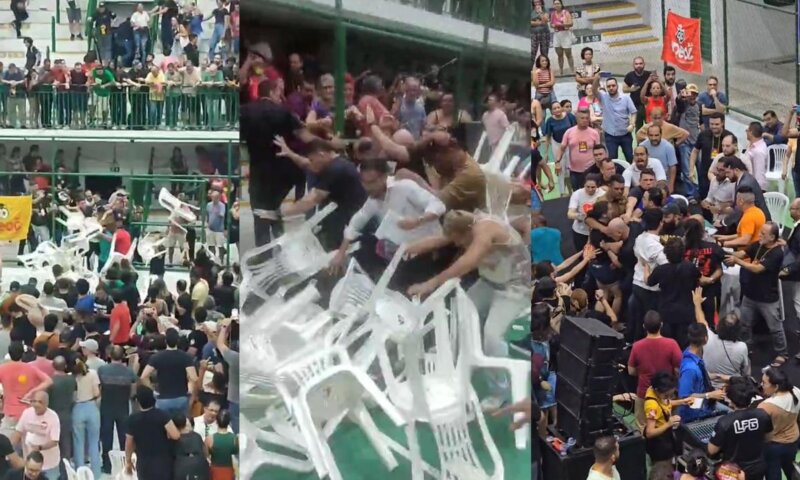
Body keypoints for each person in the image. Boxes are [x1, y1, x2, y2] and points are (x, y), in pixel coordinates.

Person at [725, 222, 787, 367]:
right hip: (751, 294)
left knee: (775, 328)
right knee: (745, 324)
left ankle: (782, 353)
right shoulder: (758, 244)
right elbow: (743, 253)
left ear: (772, 237)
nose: (759, 235)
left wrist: (737, 261)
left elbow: (757, 268)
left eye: (763, 234)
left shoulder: (777, 253)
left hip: (767, 298)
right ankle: (746, 346)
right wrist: (726, 253)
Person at [627, 311, 682, 429]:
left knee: (642, 427)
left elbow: (631, 371)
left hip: (644, 393)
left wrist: (642, 372)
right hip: (666, 393)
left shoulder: (637, 346)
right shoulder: (672, 344)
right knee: (668, 425)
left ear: (644, 327)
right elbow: (678, 370)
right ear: (661, 325)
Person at [708, 378, 772, 480]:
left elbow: (711, 450)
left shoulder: (724, 422)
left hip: (732, 471)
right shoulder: (763, 414)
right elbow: (768, 438)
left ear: (731, 401)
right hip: (757, 467)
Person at [645, 237, 699, 348]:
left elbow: (649, 282)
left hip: (667, 312)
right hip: (686, 311)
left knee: (668, 344)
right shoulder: (690, 267)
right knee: (684, 345)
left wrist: (646, 267)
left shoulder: (661, 270)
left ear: (666, 254)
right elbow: (698, 280)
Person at [643, 371, 694, 480]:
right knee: (663, 471)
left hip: (667, 438)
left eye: (671, 394)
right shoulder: (651, 405)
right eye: (666, 395)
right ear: (657, 390)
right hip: (659, 444)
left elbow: (666, 403)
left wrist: (682, 402)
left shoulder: (656, 391)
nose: (669, 397)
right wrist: (669, 424)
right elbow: (649, 432)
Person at [124, 385, 181, 480]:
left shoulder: (132, 419)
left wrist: (128, 461)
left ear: (138, 402)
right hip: (163, 462)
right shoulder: (162, 415)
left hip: (143, 463)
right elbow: (175, 435)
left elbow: (129, 443)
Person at [0, 342, 52, 439]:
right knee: (28, 445)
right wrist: (32, 391)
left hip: (10, 412)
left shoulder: (2, 369)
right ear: (23, 354)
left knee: (6, 446)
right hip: (27, 410)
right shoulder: (30, 368)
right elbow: (48, 381)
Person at [97, 346, 136, 475]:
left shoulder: (102, 370)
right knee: (124, 437)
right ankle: (125, 464)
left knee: (106, 437)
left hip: (106, 406)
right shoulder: (129, 372)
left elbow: (99, 388)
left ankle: (107, 466)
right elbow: (133, 390)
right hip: (123, 407)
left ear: (110, 355)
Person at [140, 329, 197, 415]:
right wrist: (190, 390)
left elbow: (143, 376)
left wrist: (153, 390)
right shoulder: (186, 357)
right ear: (178, 341)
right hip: (181, 397)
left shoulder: (157, 357)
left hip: (163, 398)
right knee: (182, 425)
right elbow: (194, 378)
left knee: (163, 426)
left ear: (165, 341)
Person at [677, 321, 726, 423]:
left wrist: (717, 376)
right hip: (693, 415)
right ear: (705, 339)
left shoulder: (694, 354)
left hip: (704, 406)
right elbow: (684, 396)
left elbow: (700, 377)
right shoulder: (690, 368)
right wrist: (710, 395)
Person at [758, 368, 800, 480]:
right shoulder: (796, 391)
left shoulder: (766, 406)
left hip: (773, 446)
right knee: (790, 469)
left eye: (764, 383)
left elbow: (760, 431)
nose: (761, 385)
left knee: (773, 475)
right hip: (793, 441)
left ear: (776, 386)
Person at [10, 391, 60, 480]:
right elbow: (18, 432)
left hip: (50, 464)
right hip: (31, 464)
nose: (36, 404)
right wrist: (8, 449)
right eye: (34, 401)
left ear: (46, 404)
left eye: (40, 402)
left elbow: (54, 441)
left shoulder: (53, 417)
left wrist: (39, 448)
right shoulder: (27, 413)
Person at [593, 74, 636, 163]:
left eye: (613, 85)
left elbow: (633, 112)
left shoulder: (626, 98)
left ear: (617, 86)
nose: (611, 88)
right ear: (606, 88)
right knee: (613, 160)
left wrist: (632, 124)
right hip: (610, 135)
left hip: (625, 134)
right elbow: (594, 91)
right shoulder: (603, 97)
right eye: (609, 86)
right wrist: (596, 79)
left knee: (629, 157)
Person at [567, 174, 603, 251]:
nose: (590, 189)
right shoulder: (577, 194)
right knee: (581, 254)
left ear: (597, 186)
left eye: (593, 187)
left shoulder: (602, 194)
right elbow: (570, 214)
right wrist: (582, 217)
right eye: (587, 187)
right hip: (580, 231)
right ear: (584, 185)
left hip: (596, 231)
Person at [173, 414, 209, 480]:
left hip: (181, 469)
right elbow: (206, 453)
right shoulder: (197, 436)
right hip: (200, 468)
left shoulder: (174, 440)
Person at [206, 409, 236, 480]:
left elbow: (206, 455)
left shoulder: (209, 439)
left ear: (216, 421)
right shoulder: (235, 439)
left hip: (214, 471)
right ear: (229, 422)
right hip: (229, 470)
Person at [549, 0, 573, 76]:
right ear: (553, 5)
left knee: (568, 54)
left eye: (558, 3)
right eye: (555, 4)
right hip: (557, 35)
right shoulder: (552, 14)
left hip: (565, 34)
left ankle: (572, 70)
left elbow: (571, 23)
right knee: (559, 55)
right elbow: (551, 24)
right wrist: (553, 26)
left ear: (561, 4)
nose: (556, 5)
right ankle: (561, 71)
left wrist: (561, 25)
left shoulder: (566, 12)